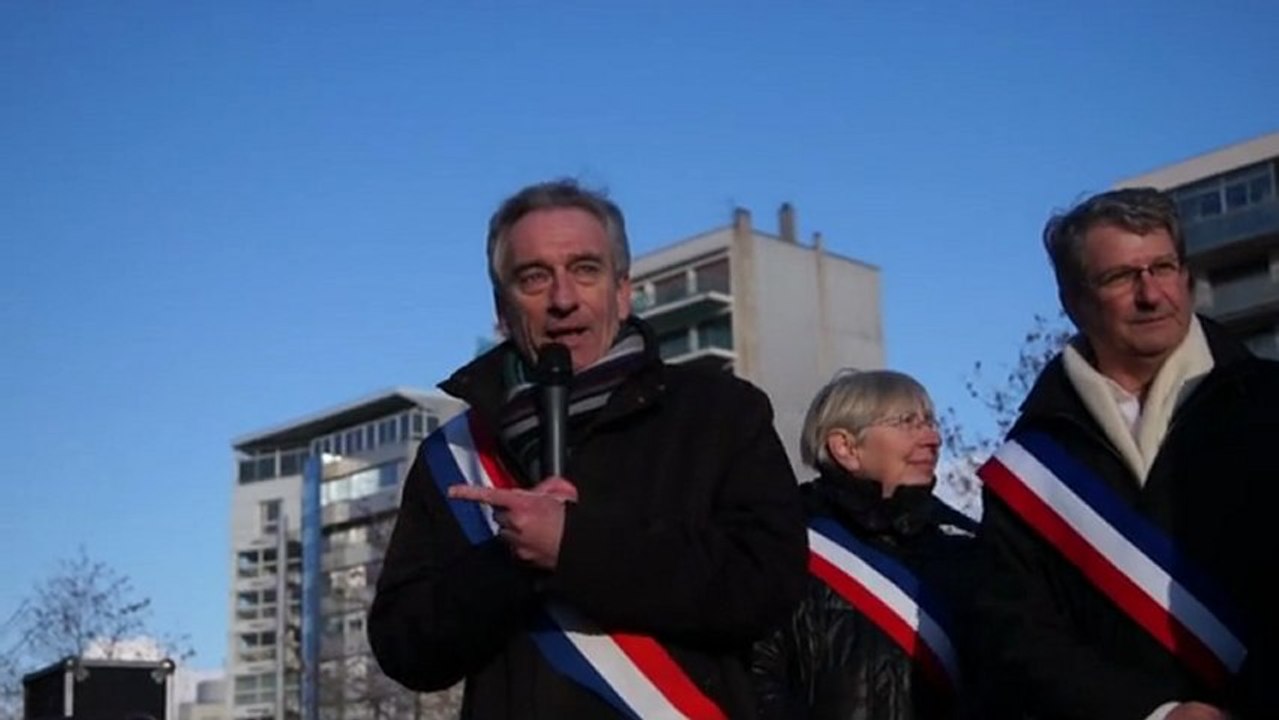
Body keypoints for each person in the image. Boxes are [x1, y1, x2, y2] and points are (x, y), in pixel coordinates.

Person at [367, 178, 809, 719]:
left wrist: (574, 547)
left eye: (585, 269)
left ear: (622, 292)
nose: (562, 299)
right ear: (502, 310)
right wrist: (508, 565)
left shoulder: (719, 413)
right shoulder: (451, 456)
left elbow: (767, 585)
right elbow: (403, 647)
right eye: (534, 277)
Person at [974, 187, 1279, 719]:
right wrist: (1153, 714)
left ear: (1185, 276)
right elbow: (1014, 632)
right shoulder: (1030, 460)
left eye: (1162, 267)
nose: (1151, 294)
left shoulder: (1269, 404)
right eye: (1120, 277)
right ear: (1072, 300)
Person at [752, 369, 979, 719]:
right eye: (907, 422)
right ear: (845, 447)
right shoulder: (786, 546)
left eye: (929, 421)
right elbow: (756, 681)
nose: (932, 437)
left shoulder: (967, 548)